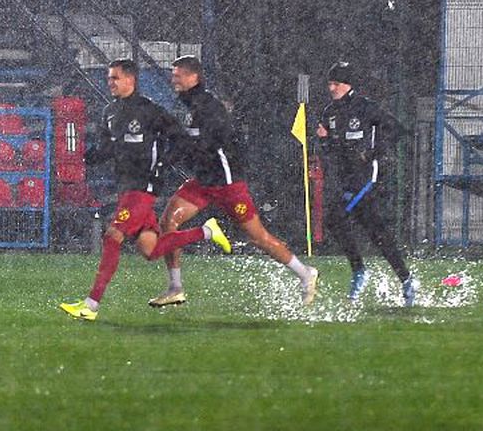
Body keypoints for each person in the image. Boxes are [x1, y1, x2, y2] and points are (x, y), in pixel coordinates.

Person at [60, 59, 231, 322]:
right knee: (150, 250)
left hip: (144, 185)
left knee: (113, 237)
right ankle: (207, 231)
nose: (111, 83)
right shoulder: (109, 112)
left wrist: (162, 164)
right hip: (126, 187)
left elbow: (180, 138)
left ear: (131, 80)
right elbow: (106, 149)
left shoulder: (149, 110)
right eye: (109, 78)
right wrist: (83, 158)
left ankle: (91, 305)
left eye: (115, 78)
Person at [148, 56, 319, 308]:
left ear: (193, 77)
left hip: (227, 183)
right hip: (203, 181)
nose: (174, 78)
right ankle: (175, 288)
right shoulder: (189, 104)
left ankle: (305, 273)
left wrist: (181, 152)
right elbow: (189, 143)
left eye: (178, 74)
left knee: (259, 238)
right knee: (168, 221)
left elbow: (217, 142)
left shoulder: (208, 105)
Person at [316, 61, 417, 305]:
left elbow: (397, 129)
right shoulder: (329, 113)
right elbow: (330, 148)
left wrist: (372, 153)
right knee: (377, 233)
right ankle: (406, 280)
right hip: (344, 179)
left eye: (336, 83)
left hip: (365, 179)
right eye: (330, 83)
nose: (332, 88)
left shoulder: (365, 108)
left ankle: (360, 271)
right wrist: (324, 140)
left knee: (334, 217)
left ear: (347, 84)